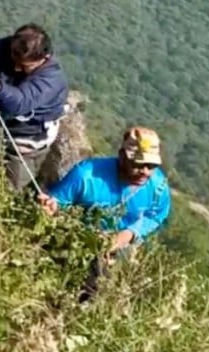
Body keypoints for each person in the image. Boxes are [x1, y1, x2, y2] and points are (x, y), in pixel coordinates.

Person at [37, 126, 172, 302]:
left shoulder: (158, 186)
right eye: (138, 164)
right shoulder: (86, 176)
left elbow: (156, 216)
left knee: (108, 291)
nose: (145, 171)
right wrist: (50, 208)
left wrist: (128, 235)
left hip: (123, 243)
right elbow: (57, 202)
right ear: (122, 156)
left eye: (151, 166)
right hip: (79, 239)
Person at [0, 23, 70, 191]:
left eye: (24, 66)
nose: (16, 68)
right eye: (14, 61)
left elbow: (20, 103)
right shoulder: (3, 48)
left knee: (3, 192)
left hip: (24, 145)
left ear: (44, 58)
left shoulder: (52, 79)